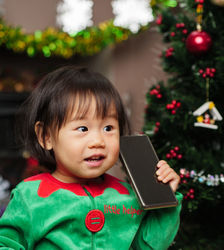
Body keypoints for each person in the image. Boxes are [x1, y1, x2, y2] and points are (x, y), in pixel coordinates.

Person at [0, 65, 182, 249]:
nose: (98, 141)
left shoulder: (128, 196)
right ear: (46, 137)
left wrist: (165, 199)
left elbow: (148, 246)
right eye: (82, 129)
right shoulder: (30, 196)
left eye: (108, 128)